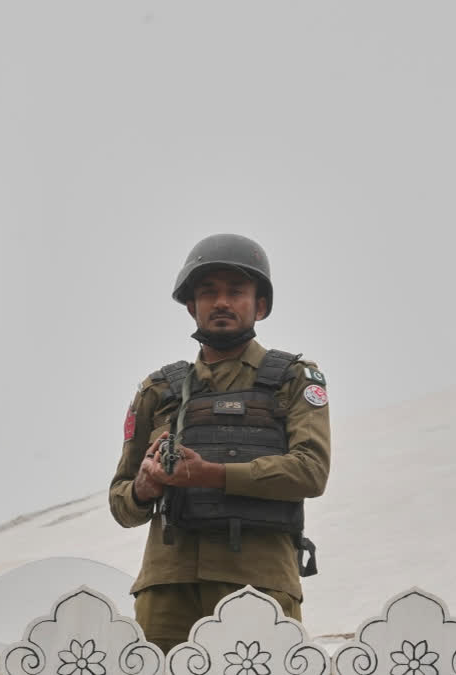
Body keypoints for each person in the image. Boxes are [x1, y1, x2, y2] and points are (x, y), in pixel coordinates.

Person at [108, 233, 331, 653]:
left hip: (259, 581)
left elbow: (311, 470)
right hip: (168, 586)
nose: (222, 302)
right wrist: (145, 487)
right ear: (191, 307)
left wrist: (212, 475)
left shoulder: (293, 379)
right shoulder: (157, 391)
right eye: (208, 293)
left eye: (236, 292)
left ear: (259, 305)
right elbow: (120, 502)